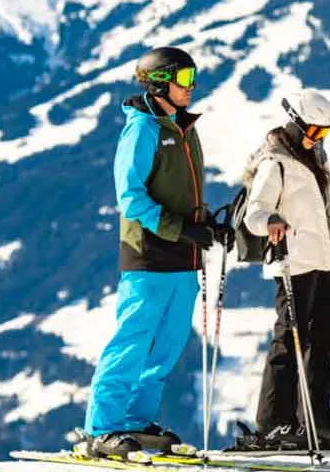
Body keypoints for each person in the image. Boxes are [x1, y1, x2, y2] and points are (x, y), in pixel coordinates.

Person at [84, 46, 230, 457]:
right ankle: (102, 427)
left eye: (193, 77)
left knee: (167, 346)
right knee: (133, 339)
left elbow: (184, 194)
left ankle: (134, 419)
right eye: (184, 78)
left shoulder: (184, 128)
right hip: (149, 254)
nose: (192, 86)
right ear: (160, 82)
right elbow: (130, 198)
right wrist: (179, 228)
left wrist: (204, 226)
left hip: (183, 257)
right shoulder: (142, 130)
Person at [239, 89, 330, 450]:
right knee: (289, 341)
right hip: (292, 262)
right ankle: (274, 423)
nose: (318, 138)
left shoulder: (315, 158)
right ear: (295, 123)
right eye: (314, 130)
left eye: (324, 133)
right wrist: (271, 219)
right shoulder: (275, 162)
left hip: (320, 261)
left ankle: (316, 420)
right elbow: (254, 213)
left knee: (323, 342)